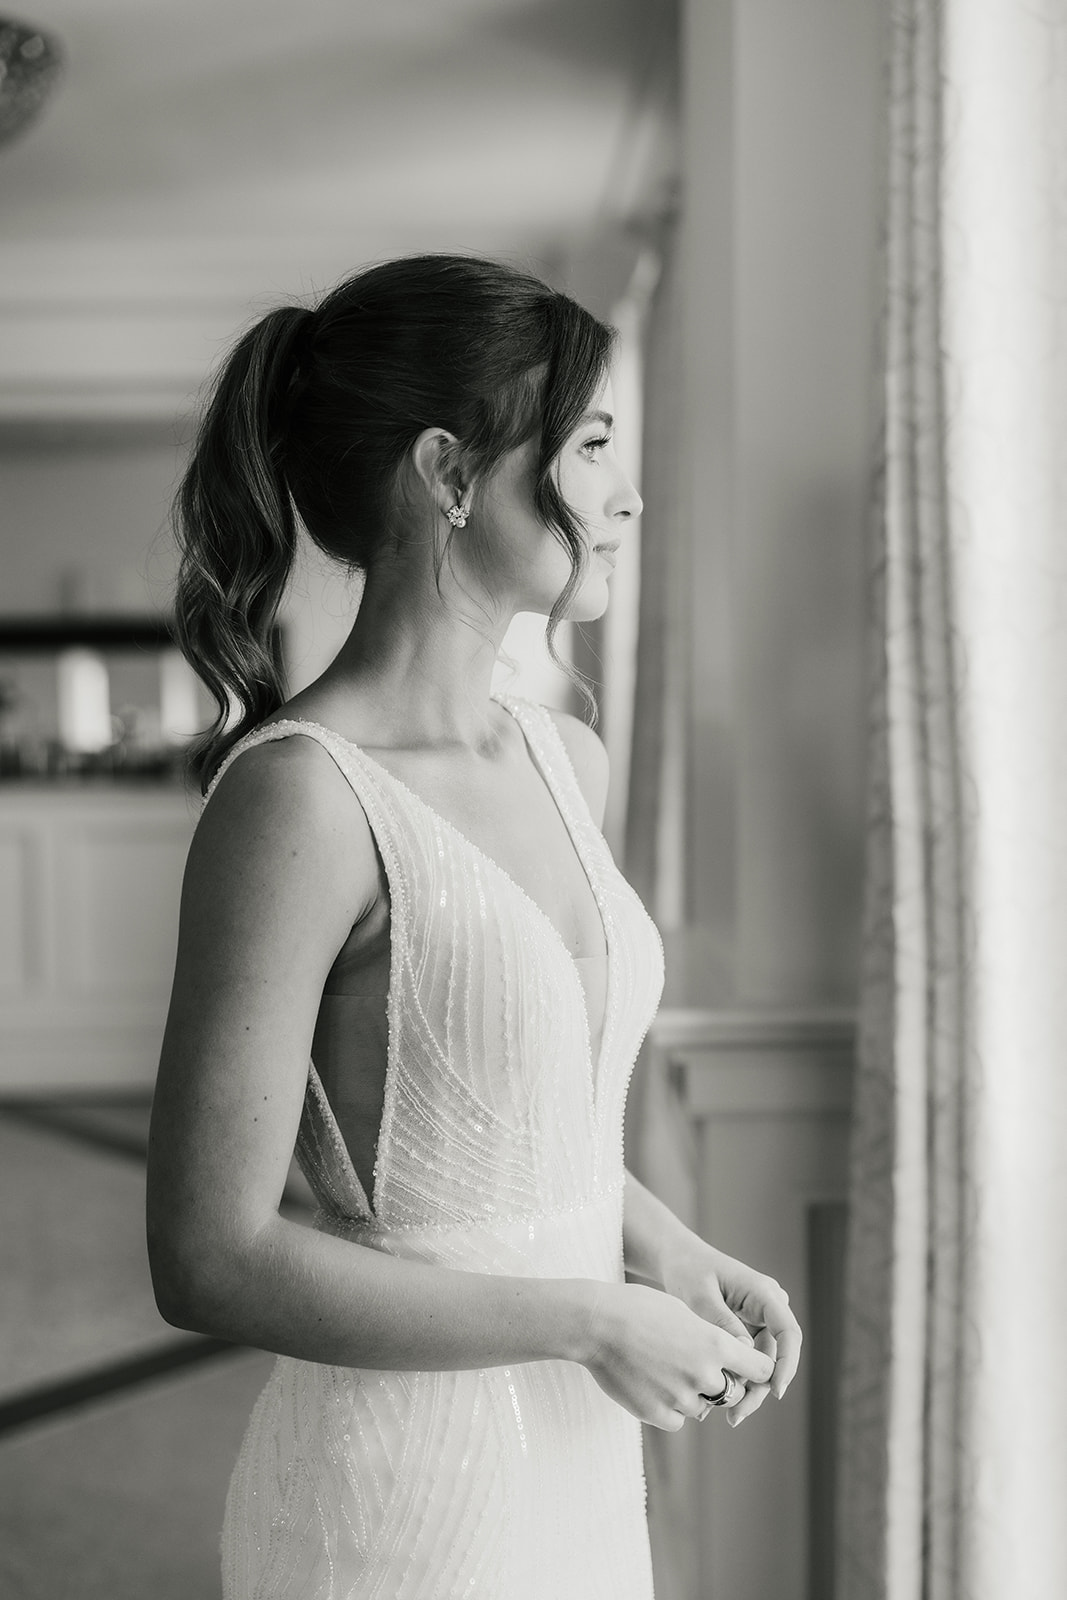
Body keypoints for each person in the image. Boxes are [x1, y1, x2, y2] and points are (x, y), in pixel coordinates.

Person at [146, 254, 801, 1600]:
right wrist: (588, 1321)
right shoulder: (300, 803)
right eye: (595, 448)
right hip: (396, 1508)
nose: (628, 496)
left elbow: (507, 1129)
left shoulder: (572, 758)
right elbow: (209, 1256)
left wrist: (664, 1250)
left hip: (576, 1474)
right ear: (448, 475)